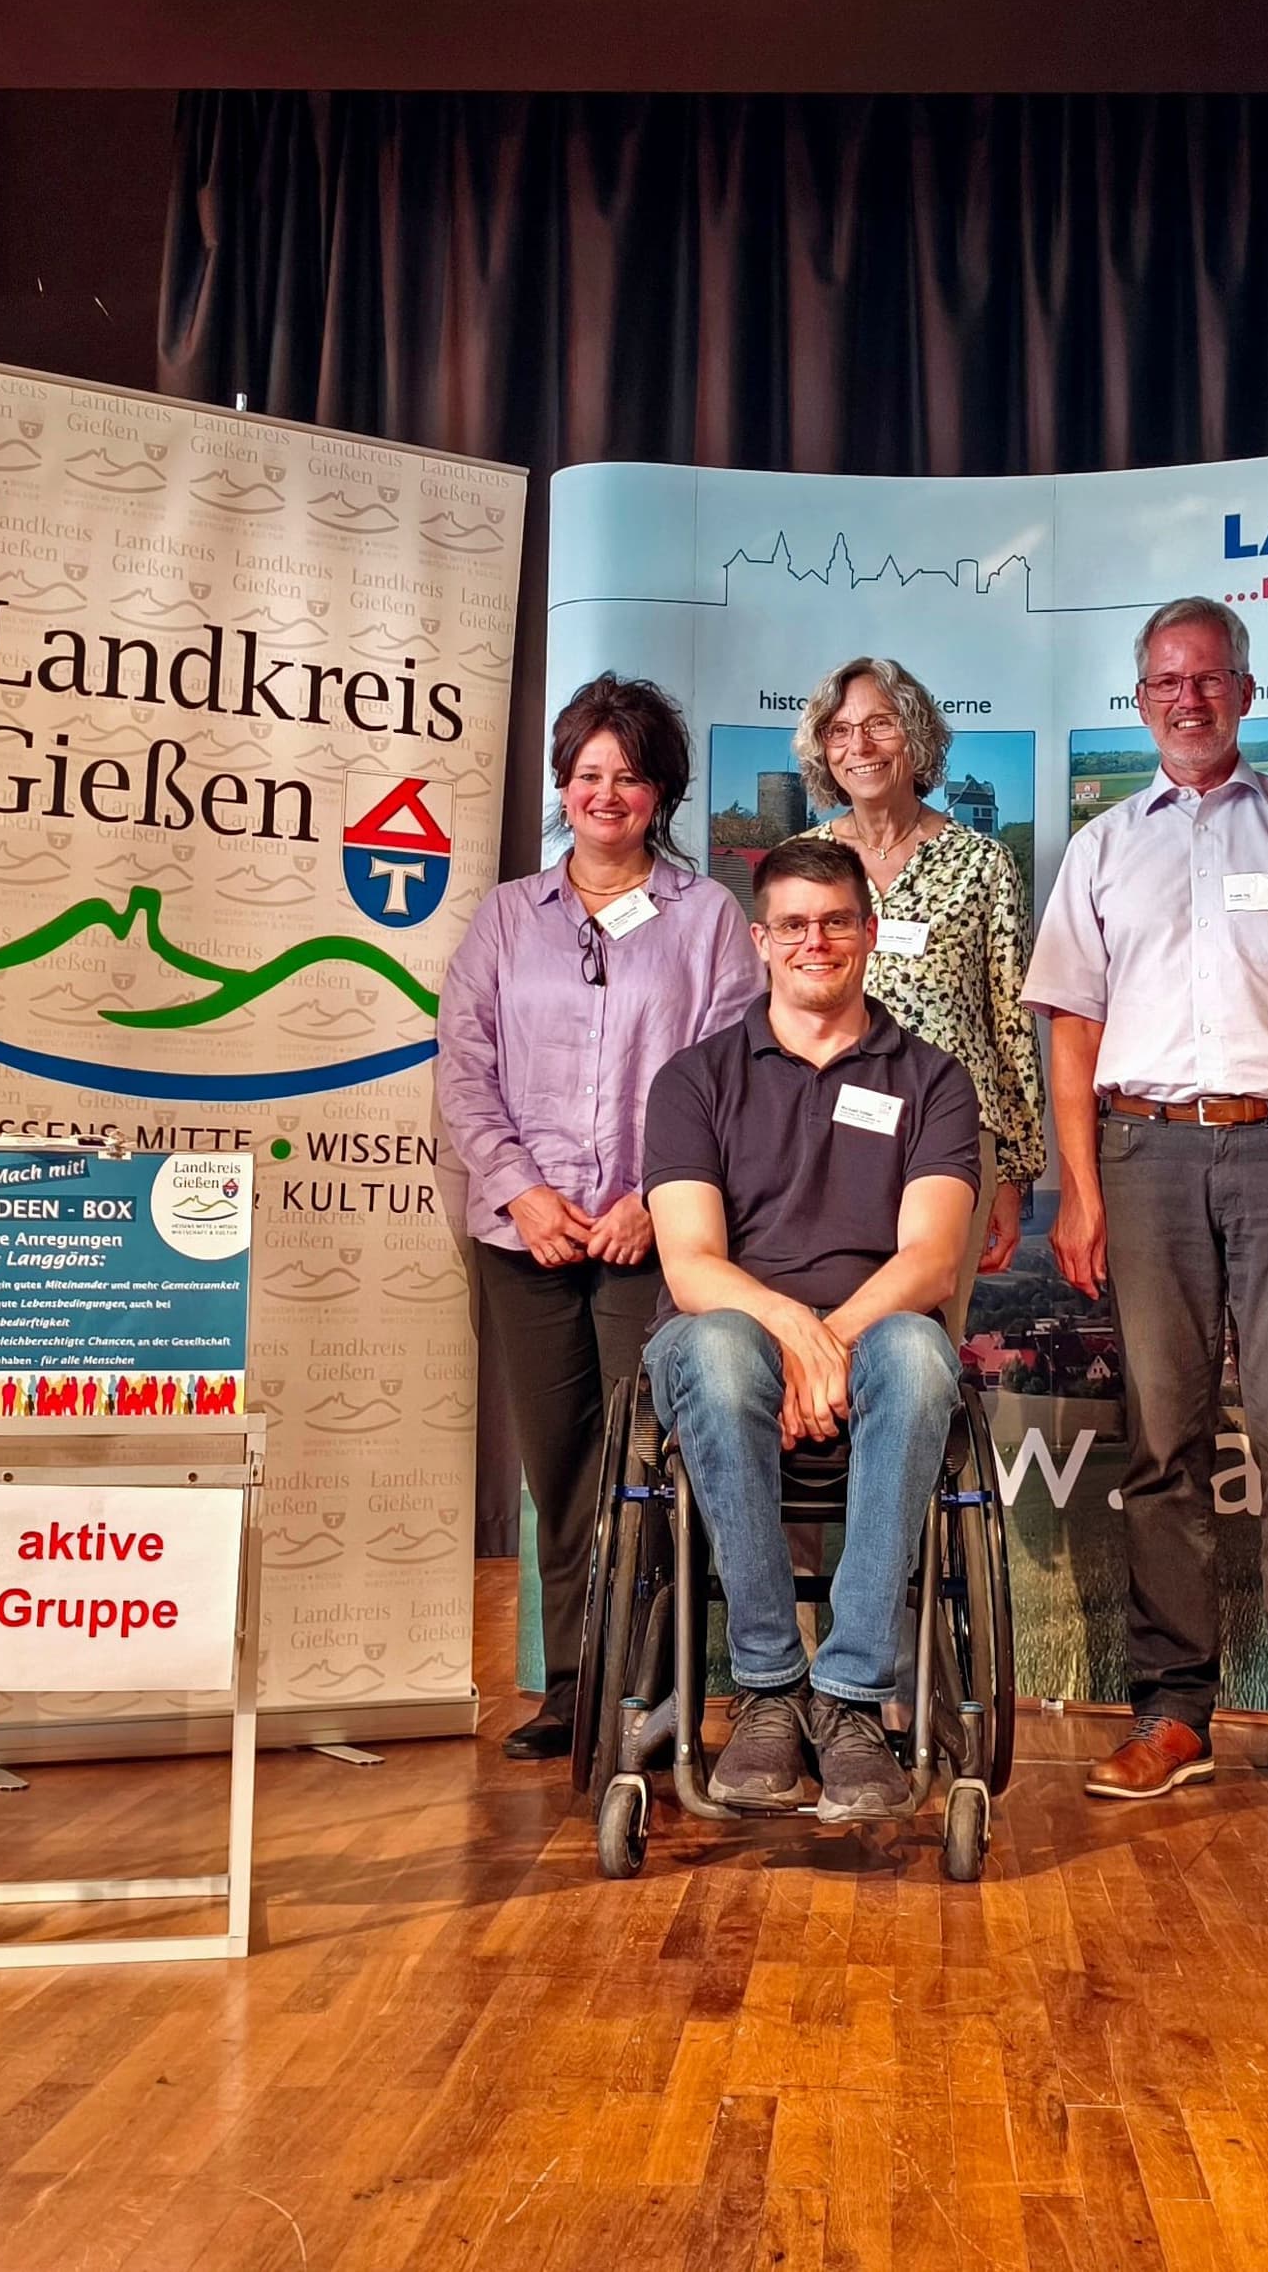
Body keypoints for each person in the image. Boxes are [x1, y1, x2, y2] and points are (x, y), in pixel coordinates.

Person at [1024, 597, 1268, 1819]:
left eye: (1209, 679)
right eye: (1165, 683)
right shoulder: (1100, 848)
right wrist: (1077, 1190)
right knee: (1162, 1444)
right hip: (1142, 1154)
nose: (1188, 699)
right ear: (1141, 703)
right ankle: (1173, 1710)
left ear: (1246, 691)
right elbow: (1069, 1033)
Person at [435, 676, 760, 1761]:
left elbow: (728, 1075)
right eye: (587, 774)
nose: (605, 793)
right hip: (522, 1237)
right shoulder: (503, 917)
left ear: (659, 789)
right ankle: (575, 1687)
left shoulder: (708, 918)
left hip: (652, 1241)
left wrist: (648, 1203)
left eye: (627, 775)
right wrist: (523, 1190)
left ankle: (653, 1695)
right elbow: (465, 1070)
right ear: (562, 786)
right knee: (560, 1468)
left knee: (656, 1464)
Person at [640, 834, 982, 1822]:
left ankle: (851, 1698)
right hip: (726, 1334)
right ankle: (767, 1689)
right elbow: (692, 1261)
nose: (815, 941)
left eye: (837, 922)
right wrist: (798, 1333)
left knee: (922, 1358)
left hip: (874, 1336)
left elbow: (929, 1260)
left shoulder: (933, 1081)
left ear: (870, 935)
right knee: (717, 1347)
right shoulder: (694, 1079)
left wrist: (833, 1339)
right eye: (793, 924)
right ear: (760, 938)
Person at [796, 658, 1045, 1333]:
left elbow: (1011, 1025)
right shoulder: (805, 863)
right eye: (840, 730)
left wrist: (1015, 1173)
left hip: (954, 1145)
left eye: (881, 724)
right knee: (819, 1349)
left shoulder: (981, 864)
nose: (861, 746)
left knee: (924, 1352)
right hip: (823, 1141)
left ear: (917, 735)